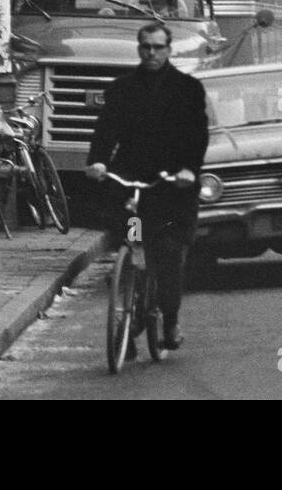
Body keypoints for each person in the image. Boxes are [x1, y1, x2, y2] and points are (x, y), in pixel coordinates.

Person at [85, 21, 208, 355]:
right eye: (145, 47)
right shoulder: (123, 89)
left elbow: (197, 136)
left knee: (168, 256)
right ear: (139, 49)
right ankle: (129, 314)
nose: (151, 53)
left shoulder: (187, 89)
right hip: (132, 180)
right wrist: (98, 162)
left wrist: (188, 170)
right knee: (131, 239)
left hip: (171, 185)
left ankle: (169, 318)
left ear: (169, 50)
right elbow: (105, 130)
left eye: (158, 47)